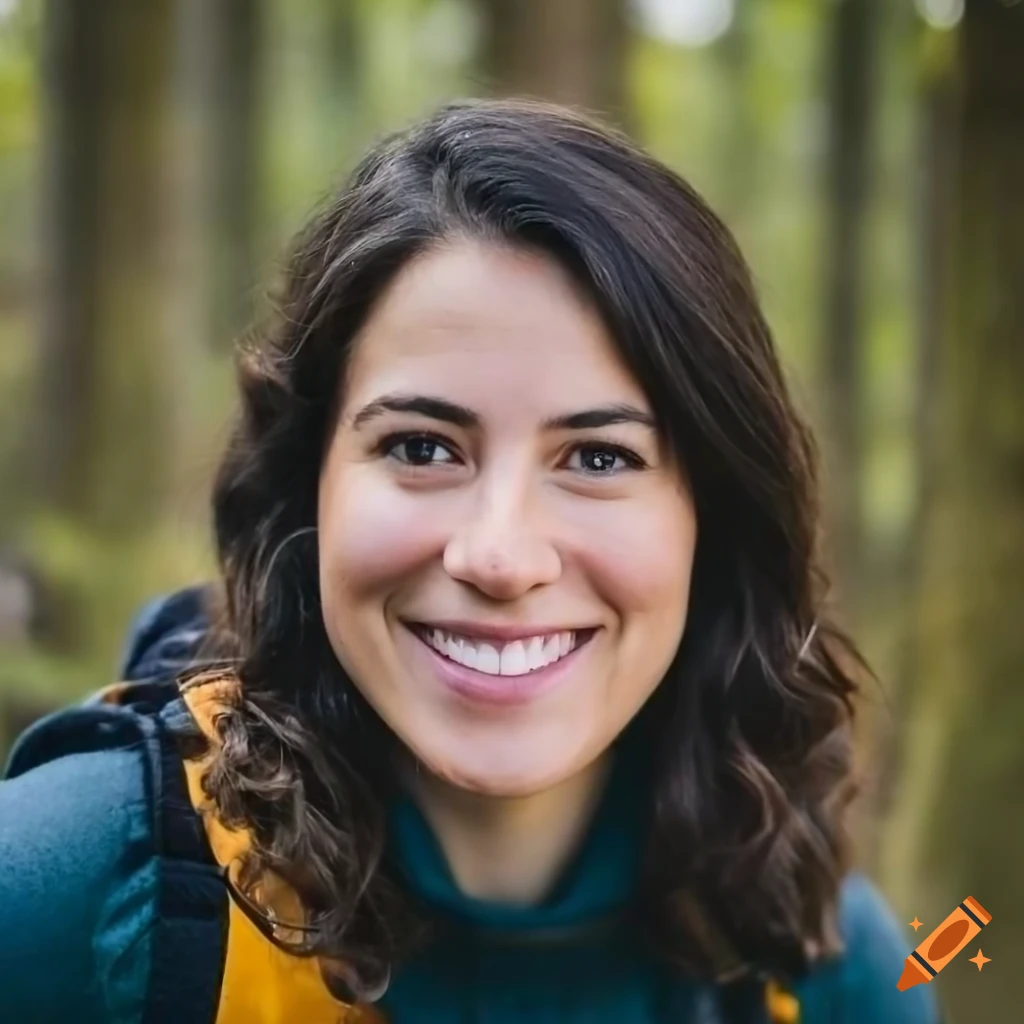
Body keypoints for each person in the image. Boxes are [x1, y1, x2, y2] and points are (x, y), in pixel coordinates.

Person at [0, 99, 940, 1024]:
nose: (499, 556)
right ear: (307, 484)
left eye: (599, 459)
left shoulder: (821, 963)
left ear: (715, 518)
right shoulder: (69, 894)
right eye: (422, 447)